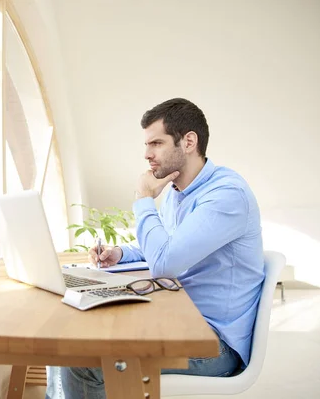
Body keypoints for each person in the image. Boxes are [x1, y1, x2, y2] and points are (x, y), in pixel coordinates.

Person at [46, 98, 265, 399]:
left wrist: (143, 199)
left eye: (156, 143)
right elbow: (165, 245)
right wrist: (121, 253)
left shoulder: (226, 195)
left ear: (189, 141)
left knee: (83, 362)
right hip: (178, 316)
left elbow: (164, 262)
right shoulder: (178, 191)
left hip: (213, 343)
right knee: (68, 340)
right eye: (147, 145)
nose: (147, 155)